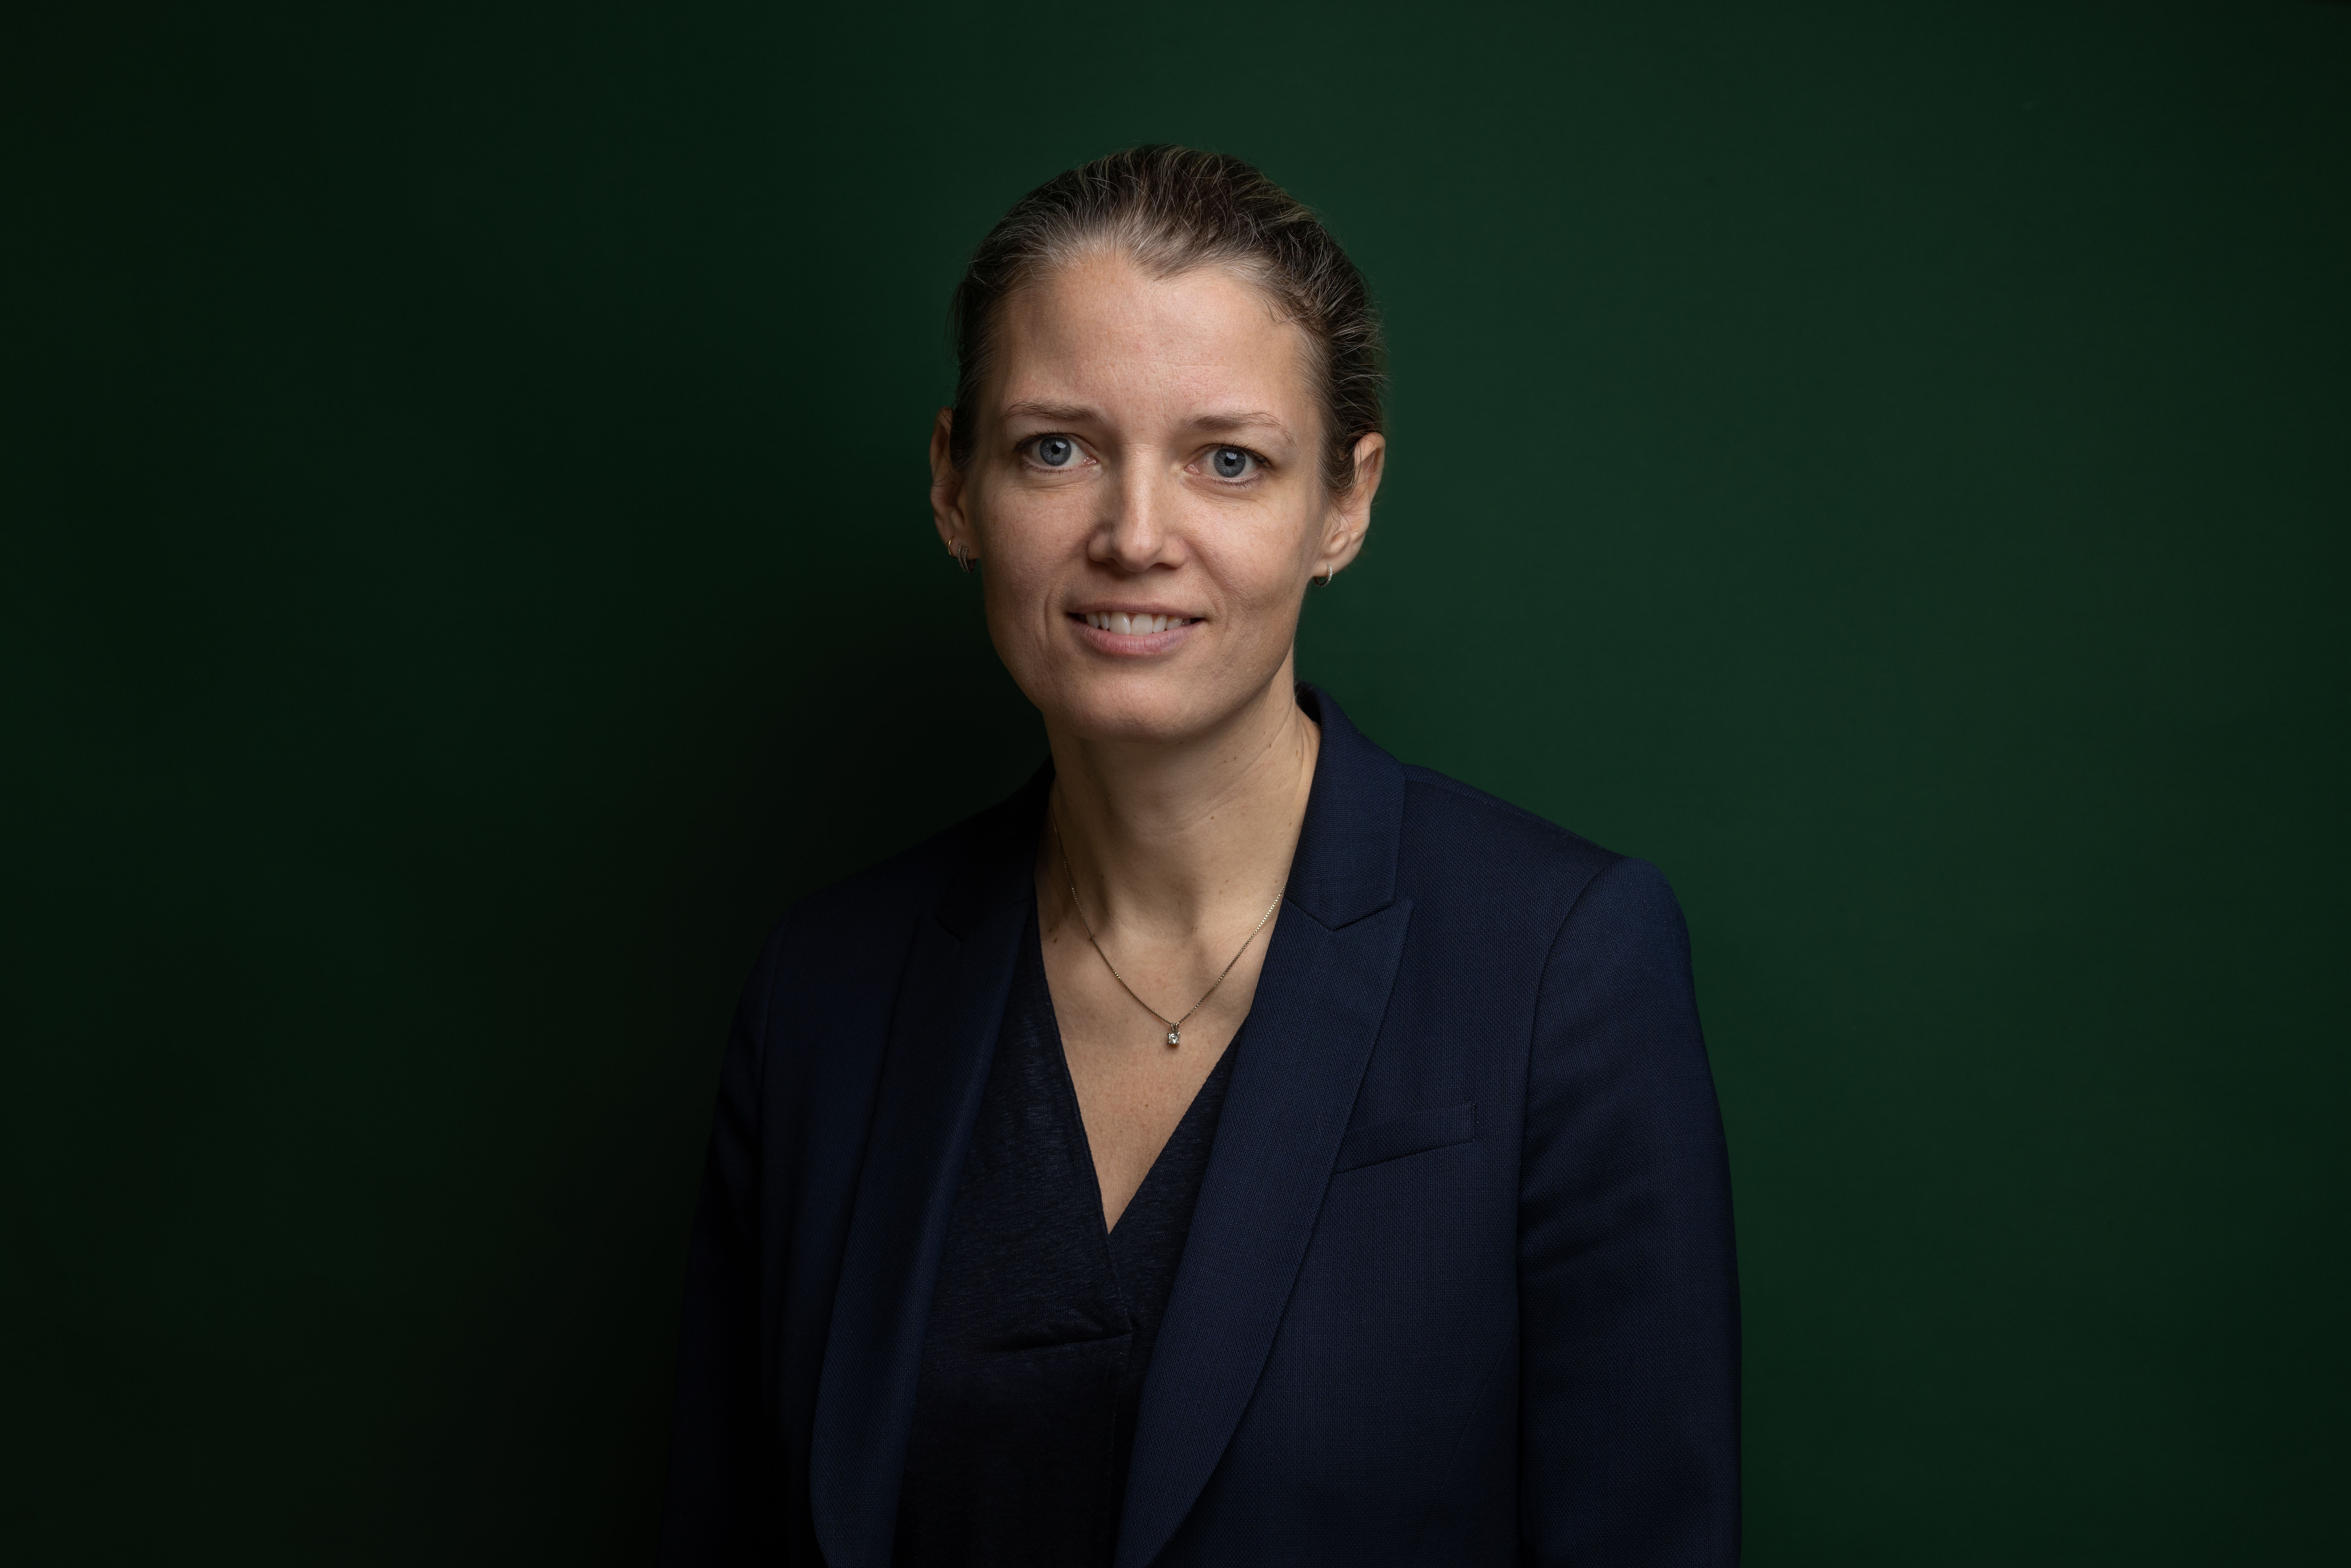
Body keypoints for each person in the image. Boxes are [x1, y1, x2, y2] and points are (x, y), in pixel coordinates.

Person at [661, 145, 1738, 1568]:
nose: (1134, 536)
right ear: (953, 484)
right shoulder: (824, 993)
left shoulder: (1561, 966)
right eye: (1056, 448)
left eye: (1227, 460)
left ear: (1342, 503)